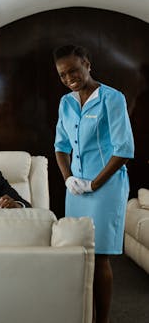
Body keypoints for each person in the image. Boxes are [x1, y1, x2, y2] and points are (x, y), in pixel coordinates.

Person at [53, 44, 134, 323]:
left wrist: (94, 184)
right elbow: (60, 147)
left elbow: (124, 149)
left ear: (87, 64)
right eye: (63, 75)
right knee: (78, 253)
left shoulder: (112, 98)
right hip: (76, 188)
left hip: (106, 186)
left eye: (73, 70)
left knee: (99, 255)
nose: (69, 78)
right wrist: (68, 179)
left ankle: (103, 320)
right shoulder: (66, 102)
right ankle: (81, 315)